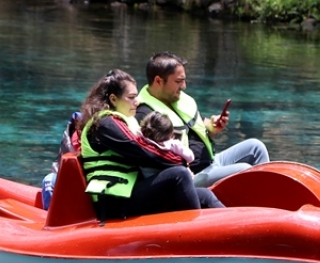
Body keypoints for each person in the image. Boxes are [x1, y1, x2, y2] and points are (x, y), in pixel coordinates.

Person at [74, 69, 223, 220]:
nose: (137, 102)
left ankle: (233, 231)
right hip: (114, 202)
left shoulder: (124, 120)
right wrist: (180, 162)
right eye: (131, 97)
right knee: (179, 175)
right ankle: (197, 232)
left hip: (129, 193)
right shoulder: (105, 124)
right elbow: (142, 151)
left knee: (205, 195)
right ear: (113, 99)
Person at [134, 52, 269, 187]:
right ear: (158, 81)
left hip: (212, 162)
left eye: (184, 80)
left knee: (256, 147)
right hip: (191, 177)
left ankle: (271, 196)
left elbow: (200, 125)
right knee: (244, 170)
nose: (183, 86)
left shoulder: (179, 99)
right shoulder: (145, 115)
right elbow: (154, 160)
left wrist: (213, 126)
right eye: (178, 81)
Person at [138, 111, 195, 176]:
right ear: (171, 134)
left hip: (146, 175)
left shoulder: (140, 137)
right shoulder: (172, 145)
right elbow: (190, 157)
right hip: (166, 178)